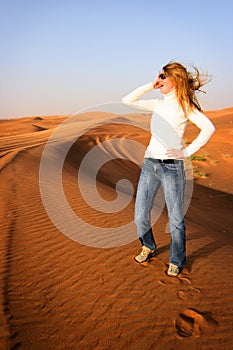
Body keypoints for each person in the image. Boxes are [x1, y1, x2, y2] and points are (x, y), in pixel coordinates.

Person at [122, 61, 215, 276]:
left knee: (175, 219)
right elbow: (128, 100)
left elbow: (209, 128)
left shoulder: (185, 106)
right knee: (140, 215)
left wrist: (187, 152)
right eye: (159, 76)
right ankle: (148, 246)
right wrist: (150, 85)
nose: (160, 79)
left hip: (172, 167)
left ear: (176, 80)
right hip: (150, 164)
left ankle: (177, 260)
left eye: (164, 76)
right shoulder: (158, 103)